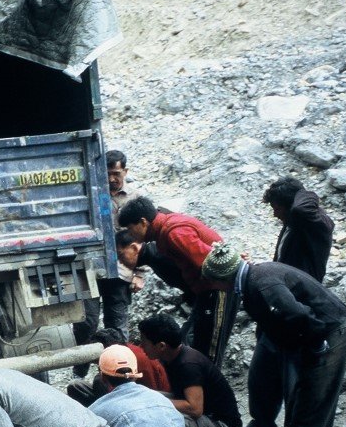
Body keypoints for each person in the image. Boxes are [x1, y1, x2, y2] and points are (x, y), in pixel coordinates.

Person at [201, 242, 346, 427]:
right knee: (296, 410)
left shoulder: (262, 284)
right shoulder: (252, 280)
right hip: (314, 338)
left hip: (328, 337)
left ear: (221, 279)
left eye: (212, 283)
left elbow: (297, 314)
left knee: (310, 415)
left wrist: (316, 344)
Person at [237, 177, 335, 427]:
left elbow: (303, 208)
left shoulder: (315, 224)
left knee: (294, 380)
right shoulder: (292, 226)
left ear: (290, 204)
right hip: (279, 308)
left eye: (277, 207)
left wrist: (302, 192)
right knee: (262, 375)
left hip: (299, 313)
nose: (274, 214)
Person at [119, 196, 237, 365]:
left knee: (209, 351)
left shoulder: (173, 233)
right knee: (198, 343)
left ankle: (207, 388)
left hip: (216, 290)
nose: (132, 236)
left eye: (131, 230)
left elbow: (209, 262)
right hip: (206, 292)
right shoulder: (166, 230)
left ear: (143, 222)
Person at [137, 313, 242, 427]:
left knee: (164, 418)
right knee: (149, 398)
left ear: (161, 346)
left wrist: (155, 402)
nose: (141, 346)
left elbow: (194, 408)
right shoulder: (173, 356)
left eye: (144, 342)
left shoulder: (187, 364)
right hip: (209, 419)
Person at [72, 150, 148, 376]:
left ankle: (120, 371)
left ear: (125, 171)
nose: (112, 179)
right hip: (90, 272)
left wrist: (140, 272)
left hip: (121, 272)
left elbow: (142, 238)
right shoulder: (91, 195)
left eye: (117, 173)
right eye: (108, 174)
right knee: (87, 322)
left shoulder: (135, 199)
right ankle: (81, 370)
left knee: (117, 324)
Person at [66, 326, 171, 407]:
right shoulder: (117, 355)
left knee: (99, 381)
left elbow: (151, 391)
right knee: (75, 386)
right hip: (121, 392)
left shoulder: (138, 358)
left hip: (144, 397)